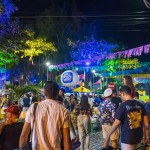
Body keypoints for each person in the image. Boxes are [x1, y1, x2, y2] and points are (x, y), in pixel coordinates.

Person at [19, 81, 71, 150]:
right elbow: (66, 140)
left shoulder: (34, 107)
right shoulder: (64, 111)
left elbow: (24, 135)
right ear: (58, 93)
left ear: (44, 93)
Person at [103, 85, 149, 150]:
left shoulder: (122, 106)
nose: (120, 97)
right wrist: (147, 137)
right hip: (139, 138)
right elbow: (146, 124)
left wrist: (108, 135)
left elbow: (116, 123)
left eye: (120, 95)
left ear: (123, 93)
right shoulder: (140, 105)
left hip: (127, 140)